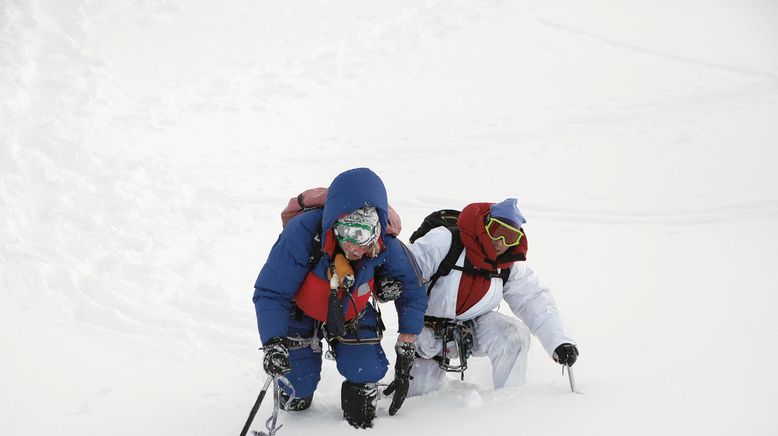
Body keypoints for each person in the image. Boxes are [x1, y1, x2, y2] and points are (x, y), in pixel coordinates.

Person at [252, 167, 427, 428]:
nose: (354, 245)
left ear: (377, 230)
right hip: (301, 309)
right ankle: (296, 386)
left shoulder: (387, 246)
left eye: (363, 234)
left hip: (351, 311)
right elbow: (271, 291)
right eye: (347, 232)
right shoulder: (303, 233)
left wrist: (407, 344)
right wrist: (273, 343)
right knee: (296, 391)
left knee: (366, 383)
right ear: (333, 224)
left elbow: (413, 291)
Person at [406, 198, 578, 395]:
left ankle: (509, 403)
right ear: (485, 225)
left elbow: (532, 299)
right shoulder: (444, 241)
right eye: (497, 231)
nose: (500, 242)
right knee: (419, 400)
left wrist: (559, 341)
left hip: (472, 328)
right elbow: (405, 278)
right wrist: (408, 330)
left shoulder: (508, 265)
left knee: (513, 335)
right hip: (427, 330)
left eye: (510, 237)